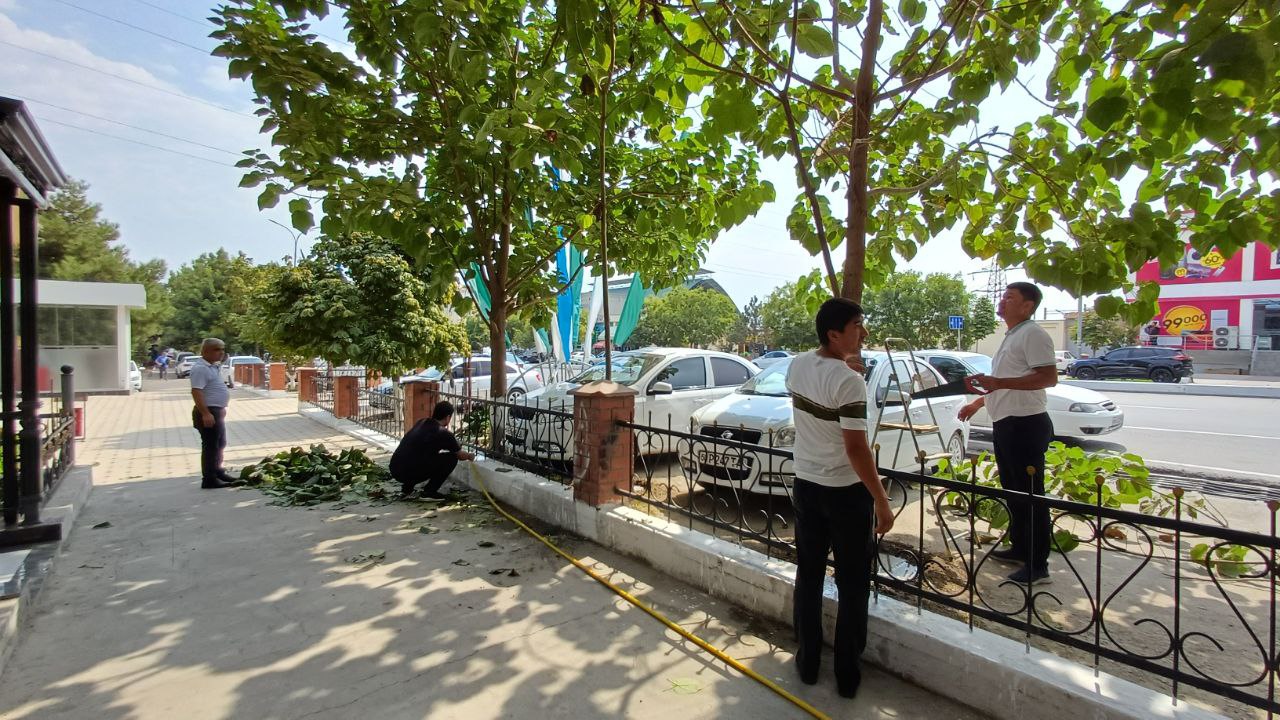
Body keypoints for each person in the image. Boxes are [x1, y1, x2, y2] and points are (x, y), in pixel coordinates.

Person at [784, 298, 895, 699]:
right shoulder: (850, 382)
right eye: (857, 326)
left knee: (810, 573)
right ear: (834, 334)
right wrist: (881, 500)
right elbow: (856, 448)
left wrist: (842, 369)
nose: (864, 333)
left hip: (806, 484)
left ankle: (808, 662)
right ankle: (847, 673)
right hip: (845, 493)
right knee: (852, 582)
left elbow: (817, 388)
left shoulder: (797, 365)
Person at [959, 282, 1059, 585]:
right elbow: (1004, 381)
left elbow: (1048, 377)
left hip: (1025, 424)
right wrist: (979, 401)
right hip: (1007, 423)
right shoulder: (1013, 335)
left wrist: (999, 383)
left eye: (1010, 298)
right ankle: (1020, 547)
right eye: (1003, 296)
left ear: (1027, 306)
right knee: (1013, 491)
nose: (1002, 302)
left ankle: (1037, 564)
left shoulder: (1033, 334)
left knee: (1030, 495)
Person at [390, 401, 475, 500]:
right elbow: (460, 455)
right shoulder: (444, 433)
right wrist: (469, 456)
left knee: (419, 456)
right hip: (410, 472)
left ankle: (407, 488)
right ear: (448, 417)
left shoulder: (421, 422)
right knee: (451, 459)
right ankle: (430, 491)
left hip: (395, 469)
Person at [190, 337, 238, 489]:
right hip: (208, 411)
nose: (221, 352)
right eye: (217, 349)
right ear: (205, 351)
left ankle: (218, 472)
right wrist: (205, 413)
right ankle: (209, 479)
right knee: (211, 446)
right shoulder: (201, 368)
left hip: (216, 411)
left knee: (220, 443)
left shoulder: (212, 366)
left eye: (222, 349)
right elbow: (196, 391)